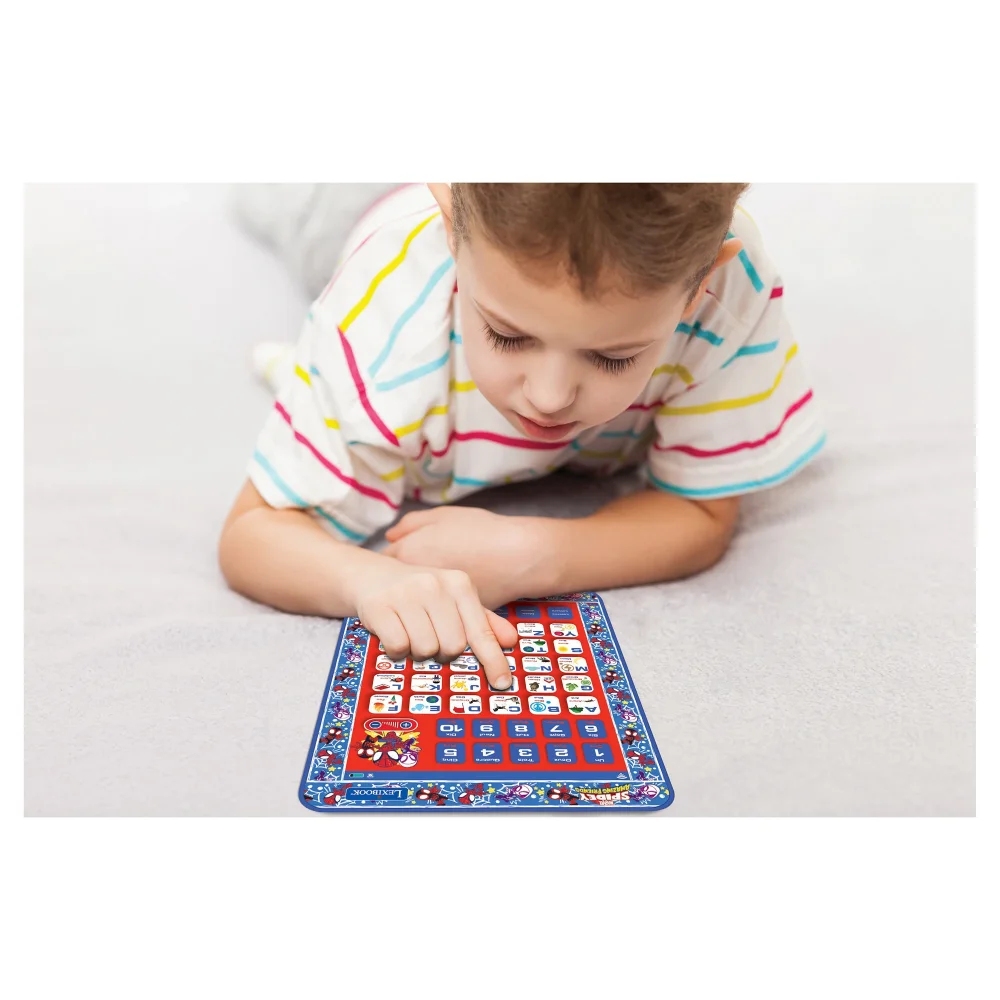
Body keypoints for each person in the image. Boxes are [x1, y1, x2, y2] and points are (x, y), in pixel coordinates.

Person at [218, 183, 825, 690]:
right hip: (361, 210)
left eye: (614, 356)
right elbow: (253, 532)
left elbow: (703, 512)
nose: (550, 397)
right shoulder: (382, 326)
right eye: (507, 335)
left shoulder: (730, 287)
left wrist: (536, 554)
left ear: (701, 284)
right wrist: (369, 580)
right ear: (451, 231)